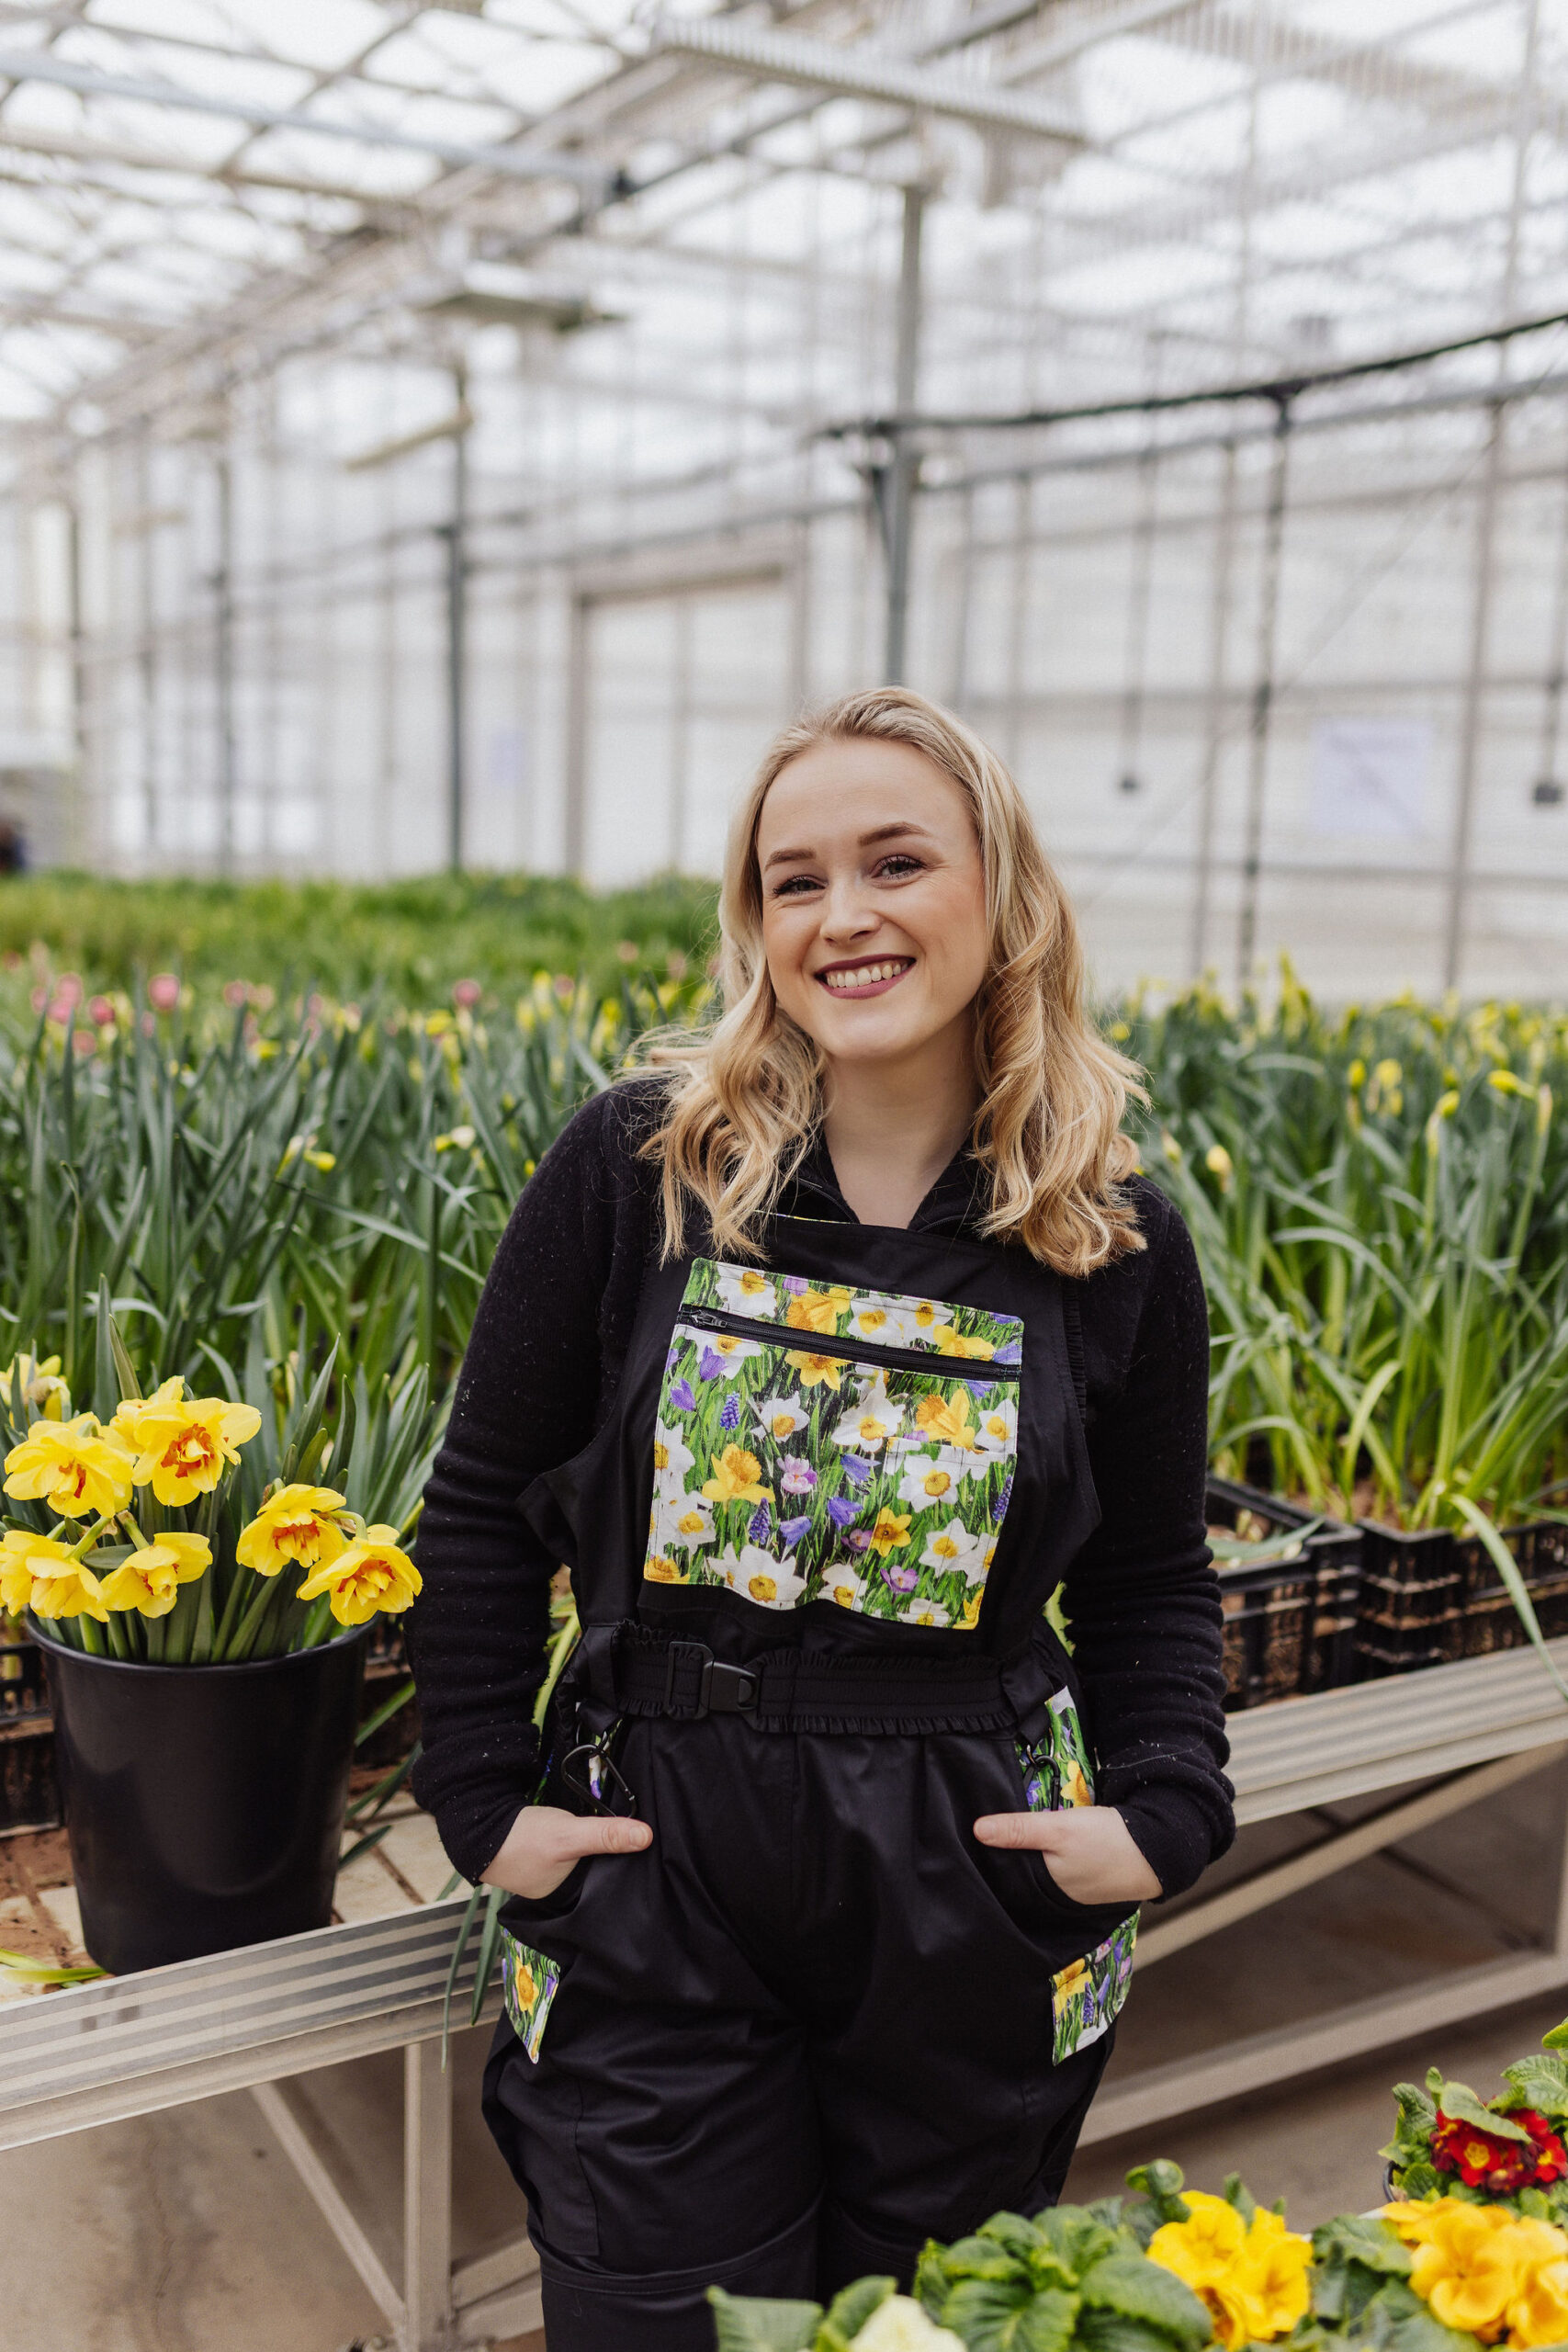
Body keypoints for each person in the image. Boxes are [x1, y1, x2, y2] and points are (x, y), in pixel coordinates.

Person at [408, 686, 1232, 2352]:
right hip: (658, 1858)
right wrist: (483, 1798)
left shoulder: (1109, 1234)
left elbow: (1150, 1576)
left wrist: (1165, 1812)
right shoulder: (642, 1167)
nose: (843, 914)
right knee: (658, 2322)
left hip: (971, 1875)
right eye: (796, 881)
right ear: (758, 925)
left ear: (1002, 893)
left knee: (920, 2325)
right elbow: (485, 1508)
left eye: (896, 862)